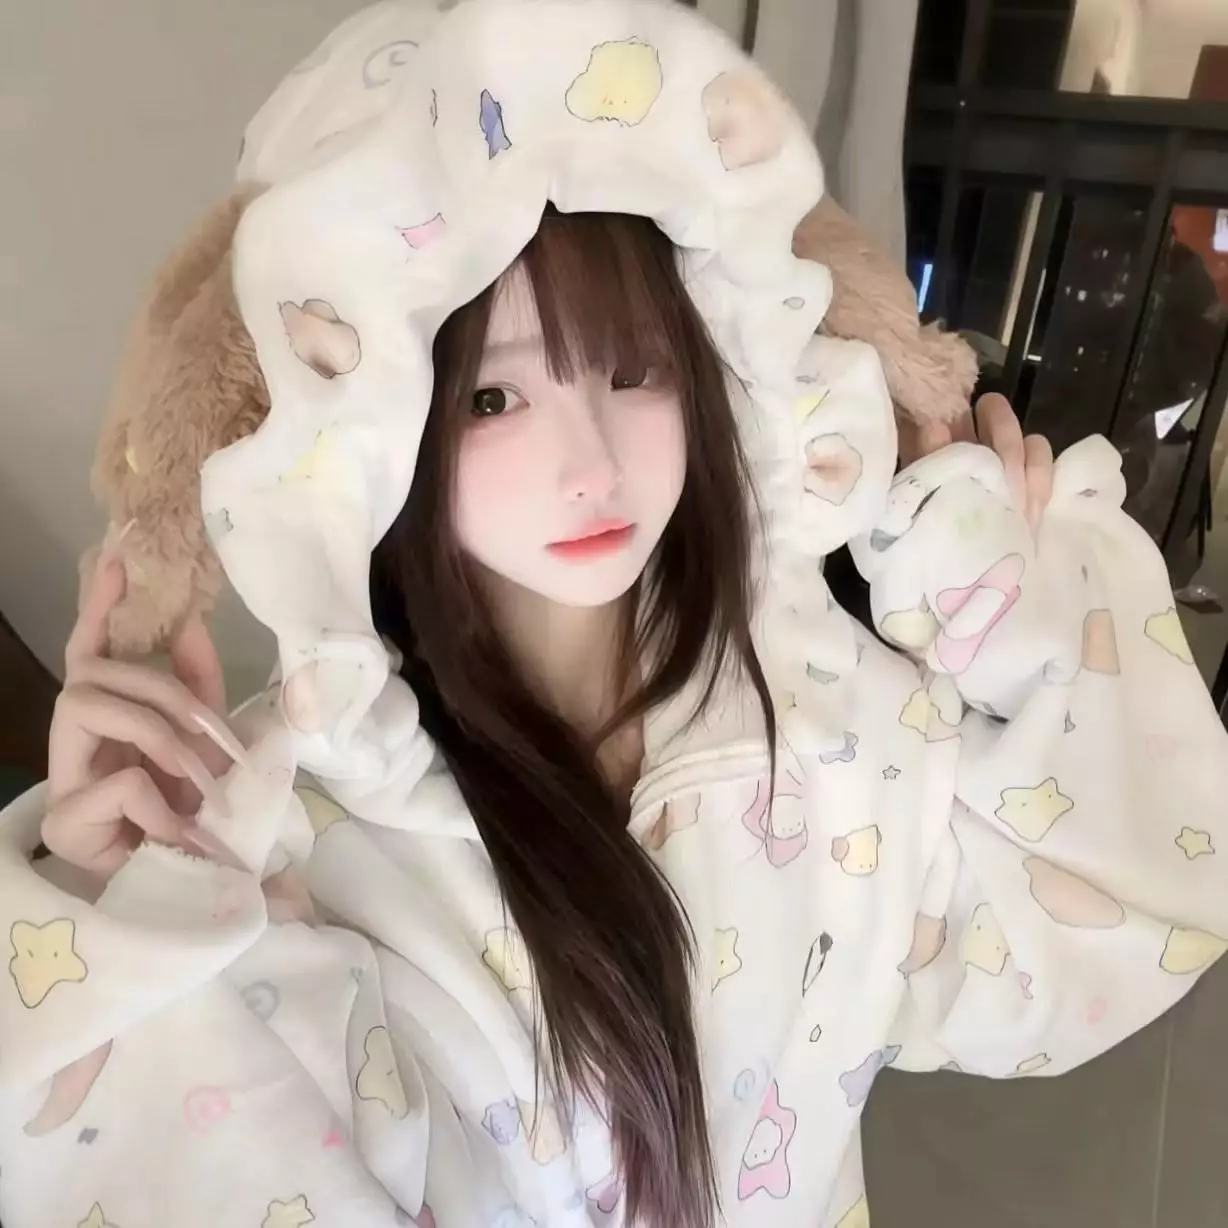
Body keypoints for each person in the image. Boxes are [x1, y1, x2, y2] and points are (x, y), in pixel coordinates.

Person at [2, 3, 1227, 1227]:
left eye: (633, 369)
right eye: (491, 397)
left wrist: (1011, 608)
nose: (589, 463)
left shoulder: (838, 725)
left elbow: (1126, 913)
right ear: (374, 428)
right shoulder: (303, 829)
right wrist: (120, 926)